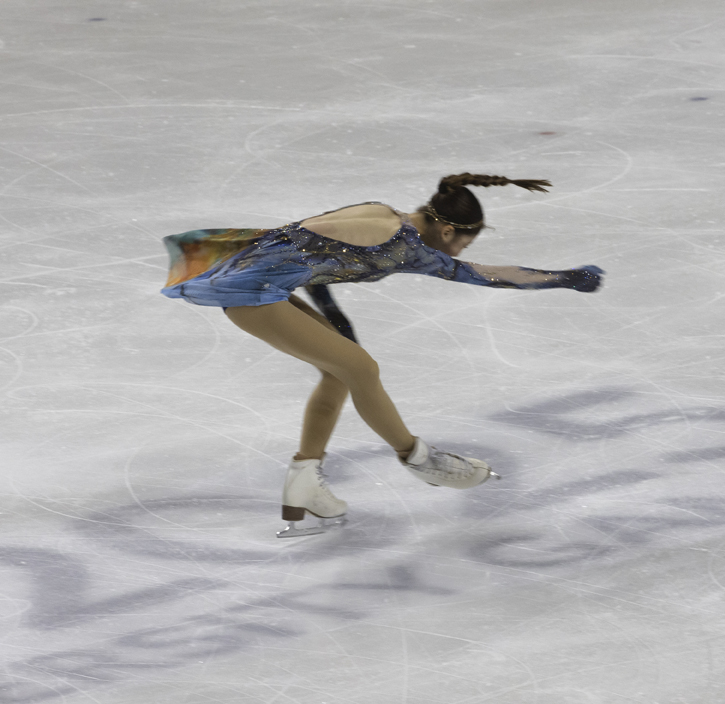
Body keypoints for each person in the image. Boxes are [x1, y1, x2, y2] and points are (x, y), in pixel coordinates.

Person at [160, 173, 603, 536]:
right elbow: (483, 276)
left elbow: (311, 258)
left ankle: (304, 483)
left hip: (255, 280)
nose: (459, 253)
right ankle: (420, 460)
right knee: (362, 368)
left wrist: (337, 321)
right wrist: (562, 278)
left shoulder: (385, 215)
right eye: (462, 243)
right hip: (248, 289)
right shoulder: (406, 246)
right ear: (448, 230)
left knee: (340, 372)